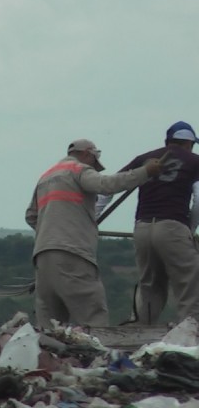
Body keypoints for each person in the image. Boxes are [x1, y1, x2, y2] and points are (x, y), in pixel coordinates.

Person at [25, 139, 162, 330]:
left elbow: (31, 216)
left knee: (50, 329)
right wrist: (145, 172)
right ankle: (101, 359)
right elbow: (107, 185)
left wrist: (53, 229)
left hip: (43, 257)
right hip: (73, 254)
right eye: (93, 162)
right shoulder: (79, 170)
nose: (93, 167)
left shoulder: (46, 177)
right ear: (88, 154)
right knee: (93, 320)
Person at [109, 121, 199, 325]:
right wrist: (190, 228)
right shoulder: (195, 162)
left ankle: (142, 330)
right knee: (189, 283)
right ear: (189, 143)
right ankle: (191, 332)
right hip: (173, 226)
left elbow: (110, 189)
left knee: (150, 284)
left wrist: (92, 219)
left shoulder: (144, 158)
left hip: (142, 227)